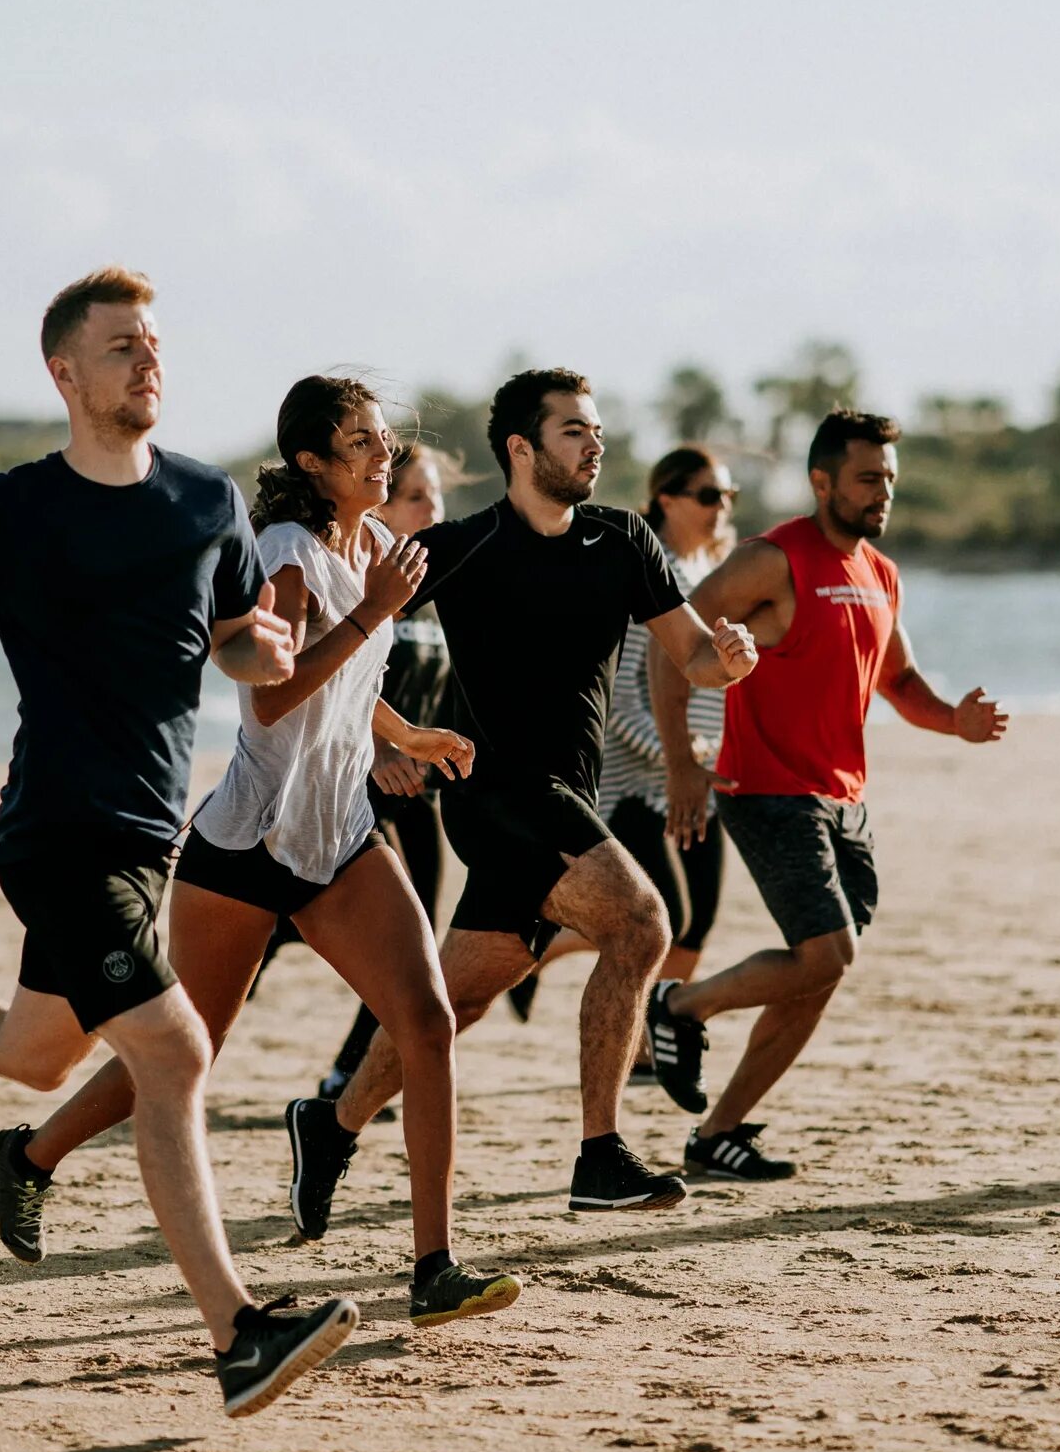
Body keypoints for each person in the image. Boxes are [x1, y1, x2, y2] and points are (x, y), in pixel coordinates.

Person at [0, 269, 359, 1417]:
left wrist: (266, 655)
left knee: (35, 1055)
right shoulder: (15, 506)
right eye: (122, 347)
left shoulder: (206, 501)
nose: (148, 362)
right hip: (54, 832)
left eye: (154, 344)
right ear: (65, 373)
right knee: (176, 1054)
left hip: (149, 835)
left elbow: (238, 639)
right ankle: (238, 1332)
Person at [0, 378, 523, 1329]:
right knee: (186, 1050)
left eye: (382, 439)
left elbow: (346, 685)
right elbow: (272, 697)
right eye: (358, 443)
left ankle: (433, 1265)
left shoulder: (372, 550)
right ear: (314, 464)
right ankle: (32, 1153)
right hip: (245, 844)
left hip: (339, 836)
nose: (381, 454)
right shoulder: (285, 555)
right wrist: (373, 613)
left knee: (427, 1021)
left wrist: (406, 736)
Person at [286, 368, 760, 1228]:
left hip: (565, 795)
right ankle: (599, 1153)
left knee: (454, 1001)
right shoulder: (463, 545)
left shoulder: (622, 540)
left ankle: (331, 1122)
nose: (595, 444)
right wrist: (383, 744)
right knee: (643, 922)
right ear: (521, 447)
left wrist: (727, 658)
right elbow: (342, 643)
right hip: (495, 790)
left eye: (595, 430)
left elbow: (691, 654)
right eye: (574, 430)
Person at [642, 408, 1008, 1181]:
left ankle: (718, 1134)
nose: (883, 493)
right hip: (767, 788)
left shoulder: (880, 572)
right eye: (868, 478)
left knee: (821, 968)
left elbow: (899, 682)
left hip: (844, 798)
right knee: (826, 950)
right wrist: (679, 760)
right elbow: (669, 644)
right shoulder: (771, 559)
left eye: (890, 480)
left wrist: (956, 722)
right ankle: (680, 1007)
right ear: (822, 481)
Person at [596, 445, 745, 1089]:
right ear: (667, 499)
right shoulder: (647, 577)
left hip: (700, 779)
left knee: (700, 919)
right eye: (709, 495)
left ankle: (653, 1036)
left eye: (729, 497)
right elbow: (621, 697)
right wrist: (677, 758)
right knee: (664, 918)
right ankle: (633, 1045)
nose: (723, 509)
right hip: (638, 785)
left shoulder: (712, 574)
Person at [316, 442, 458, 1101]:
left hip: (418, 796)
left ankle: (351, 1065)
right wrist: (380, 749)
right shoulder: (365, 583)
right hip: (360, 790)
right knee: (388, 942)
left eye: (438, 496)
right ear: (384, 505)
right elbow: (330, 679)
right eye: (417, 497)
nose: (435, 510)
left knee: (414, 939)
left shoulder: (438, 587)